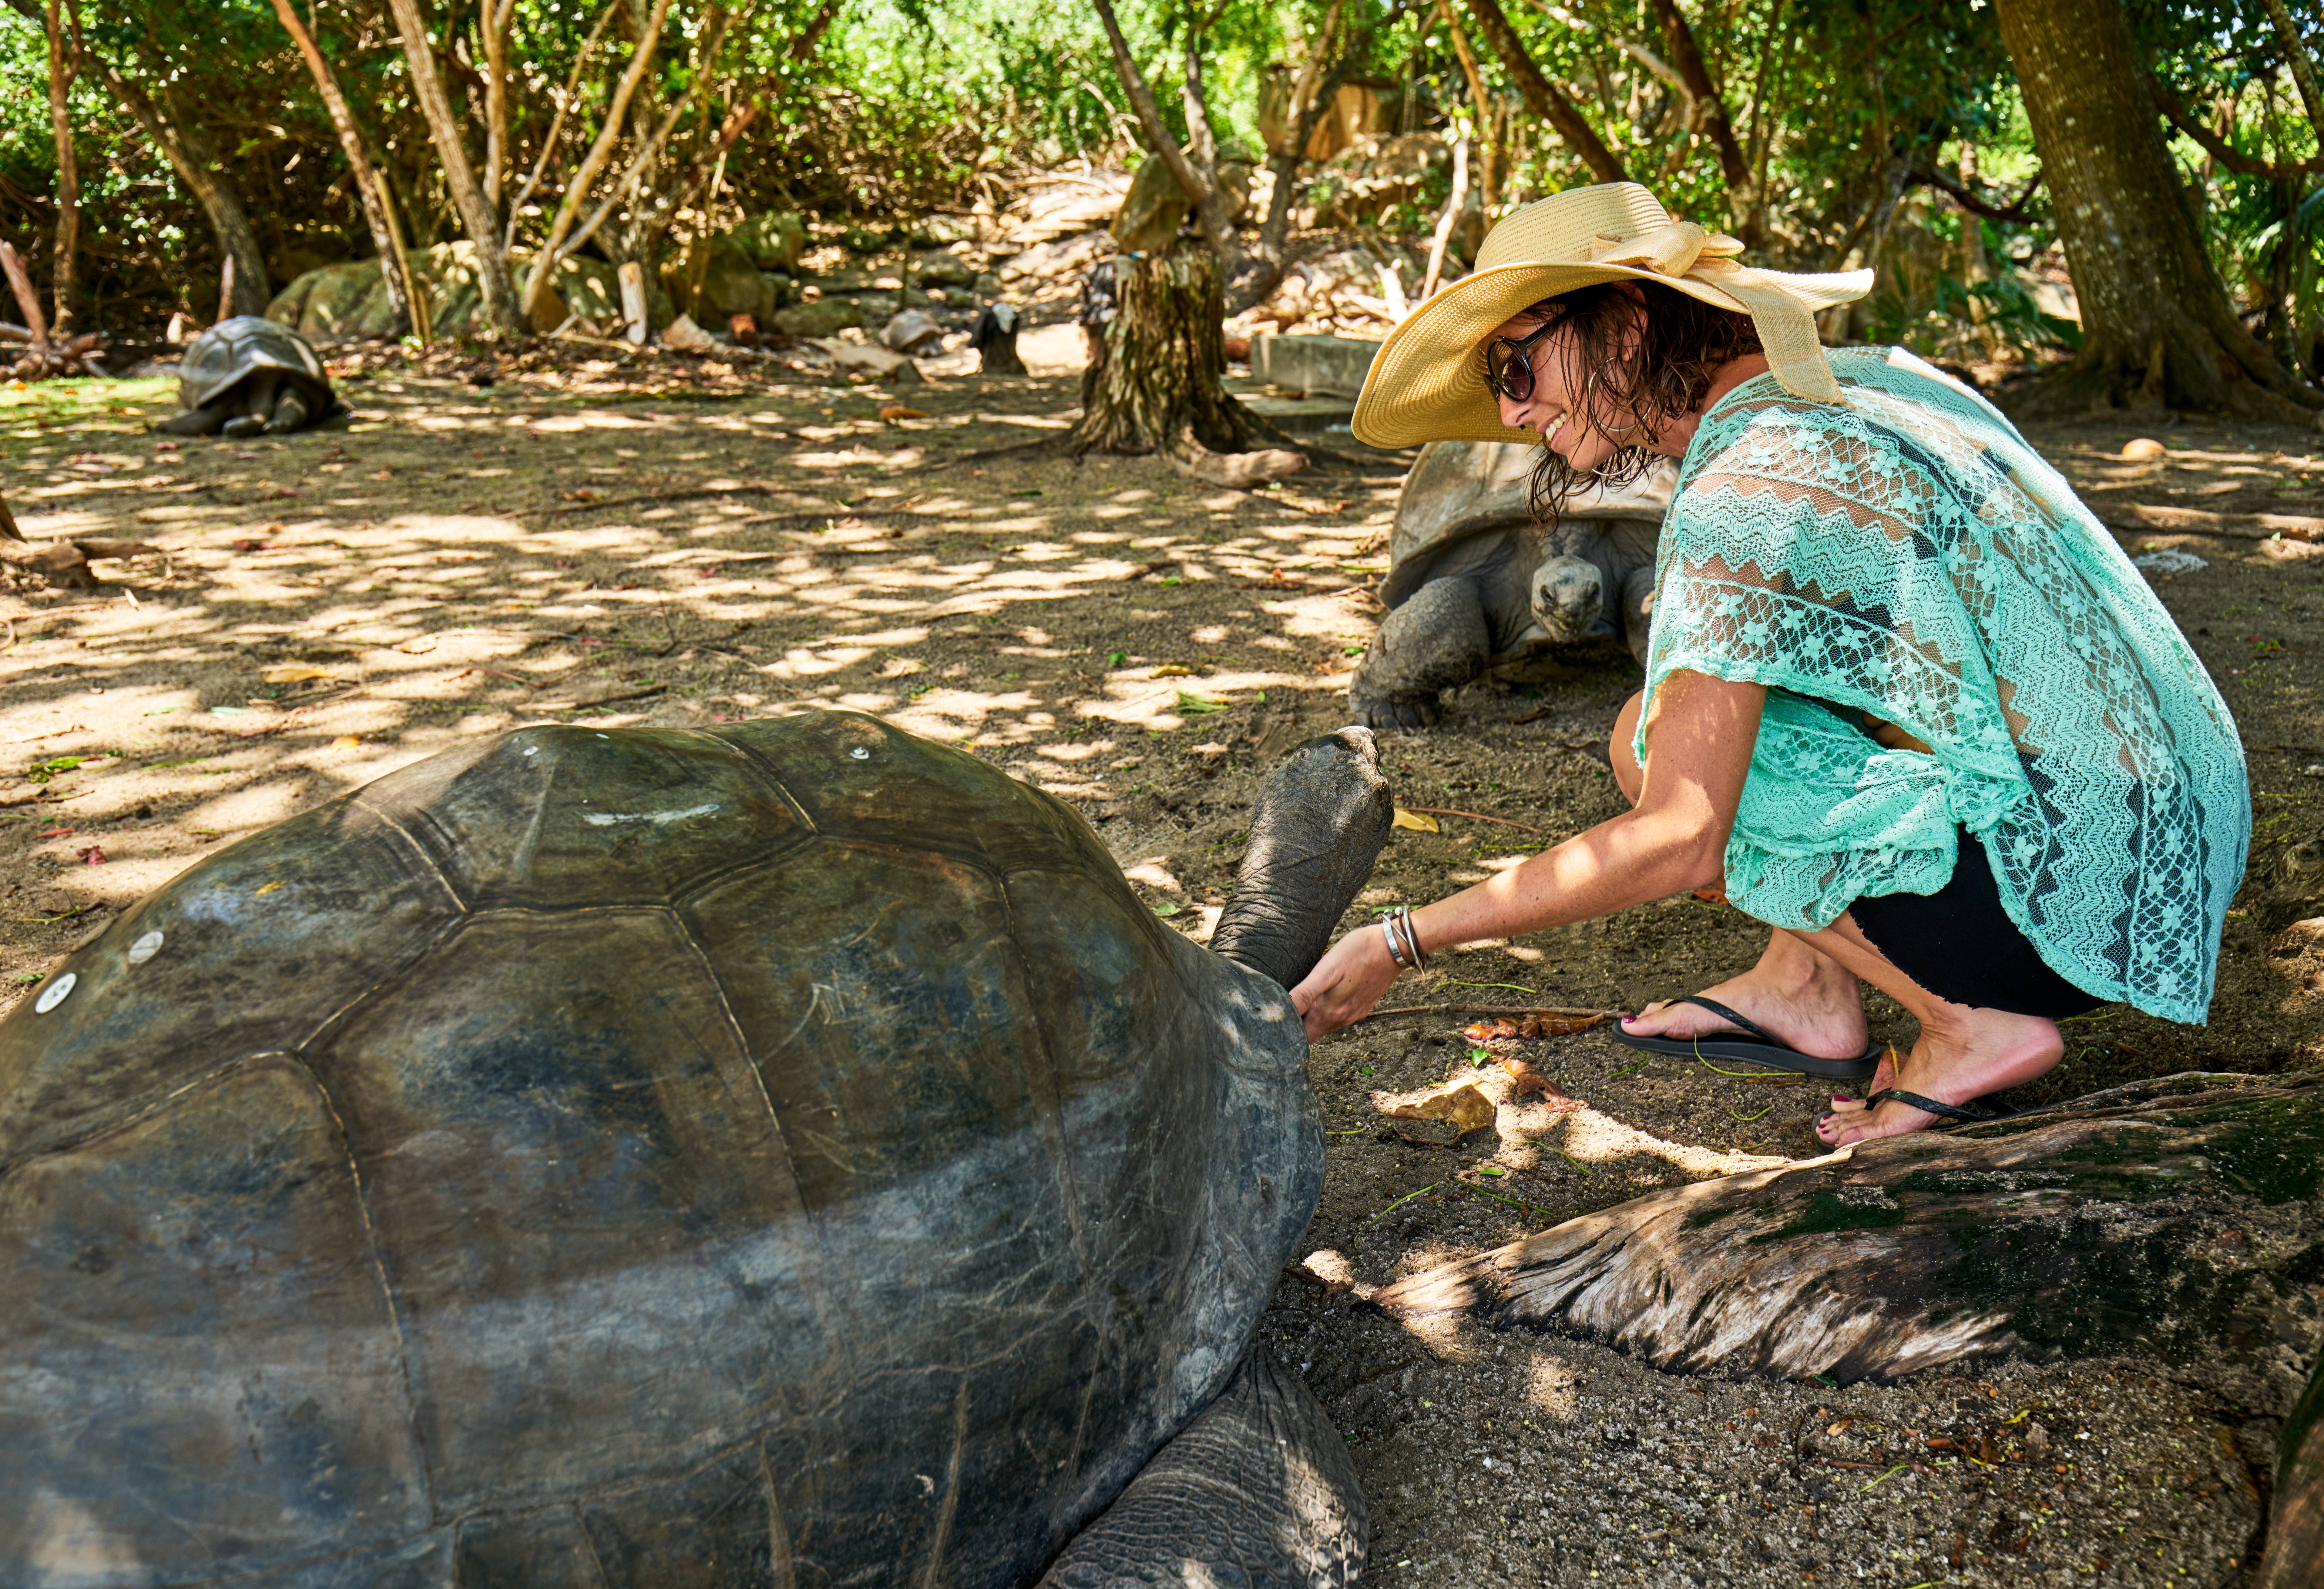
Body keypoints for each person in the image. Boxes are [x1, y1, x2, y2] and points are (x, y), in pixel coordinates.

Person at [1297, 182, 2249, 1147]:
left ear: (1625, 326)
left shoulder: (1744, 483)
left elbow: (1682, 838)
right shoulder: (1865, 384)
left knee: (1649, 746)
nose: (1510, 410)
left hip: (2074, 895)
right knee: (1726, 708)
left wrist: (1402, 938)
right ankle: (1805, 983)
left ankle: (1972, 1026)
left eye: (1517, 364)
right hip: (2179, 835)